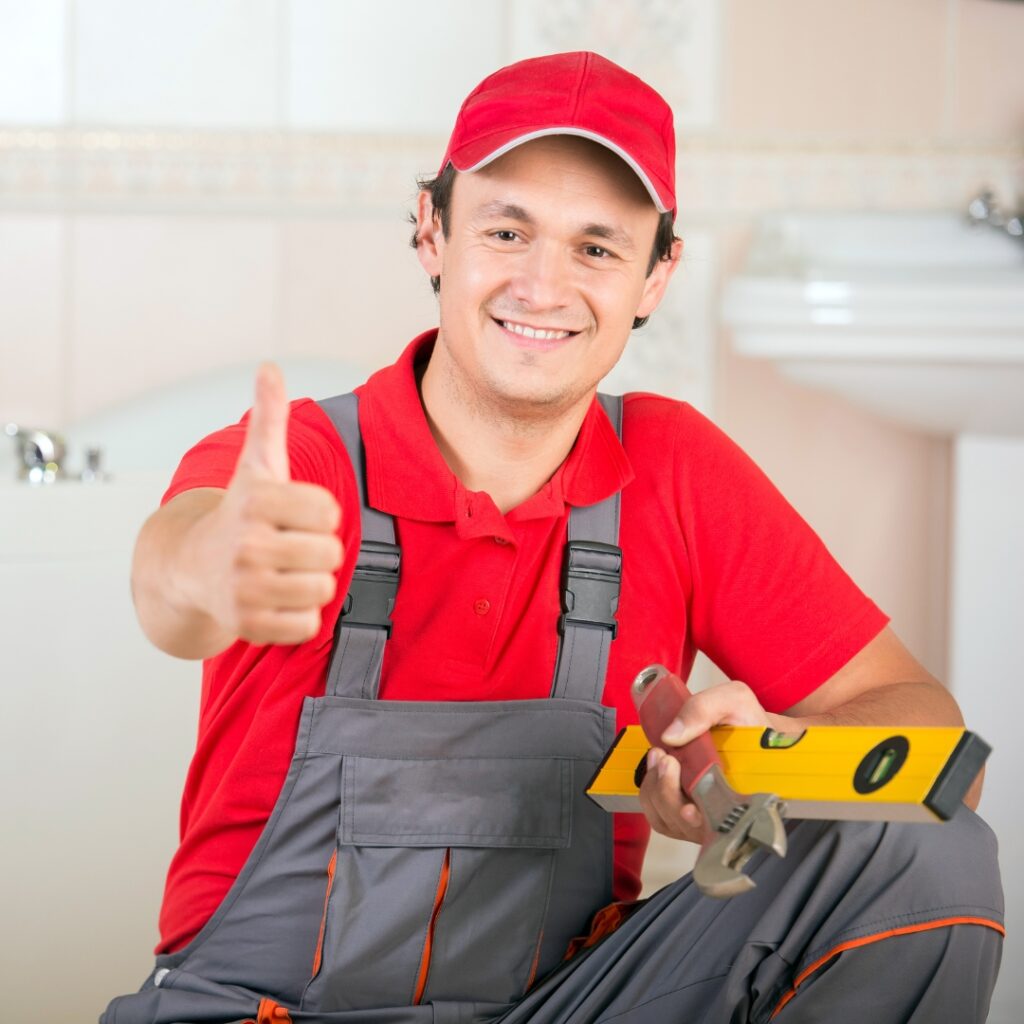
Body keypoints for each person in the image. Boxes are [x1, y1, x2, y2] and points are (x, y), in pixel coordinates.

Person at [103, 52, 1003, 1024]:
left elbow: (936, 739)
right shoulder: (304, 459)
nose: (544, 284)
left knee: (931, 853)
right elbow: (170, 578)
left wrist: (773, 758)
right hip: (254, 1011)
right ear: (429, 230)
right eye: (506, 229)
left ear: (656, 276)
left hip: (565, 1007)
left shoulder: (673, 468)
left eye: (597, 249)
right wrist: (212, 563)